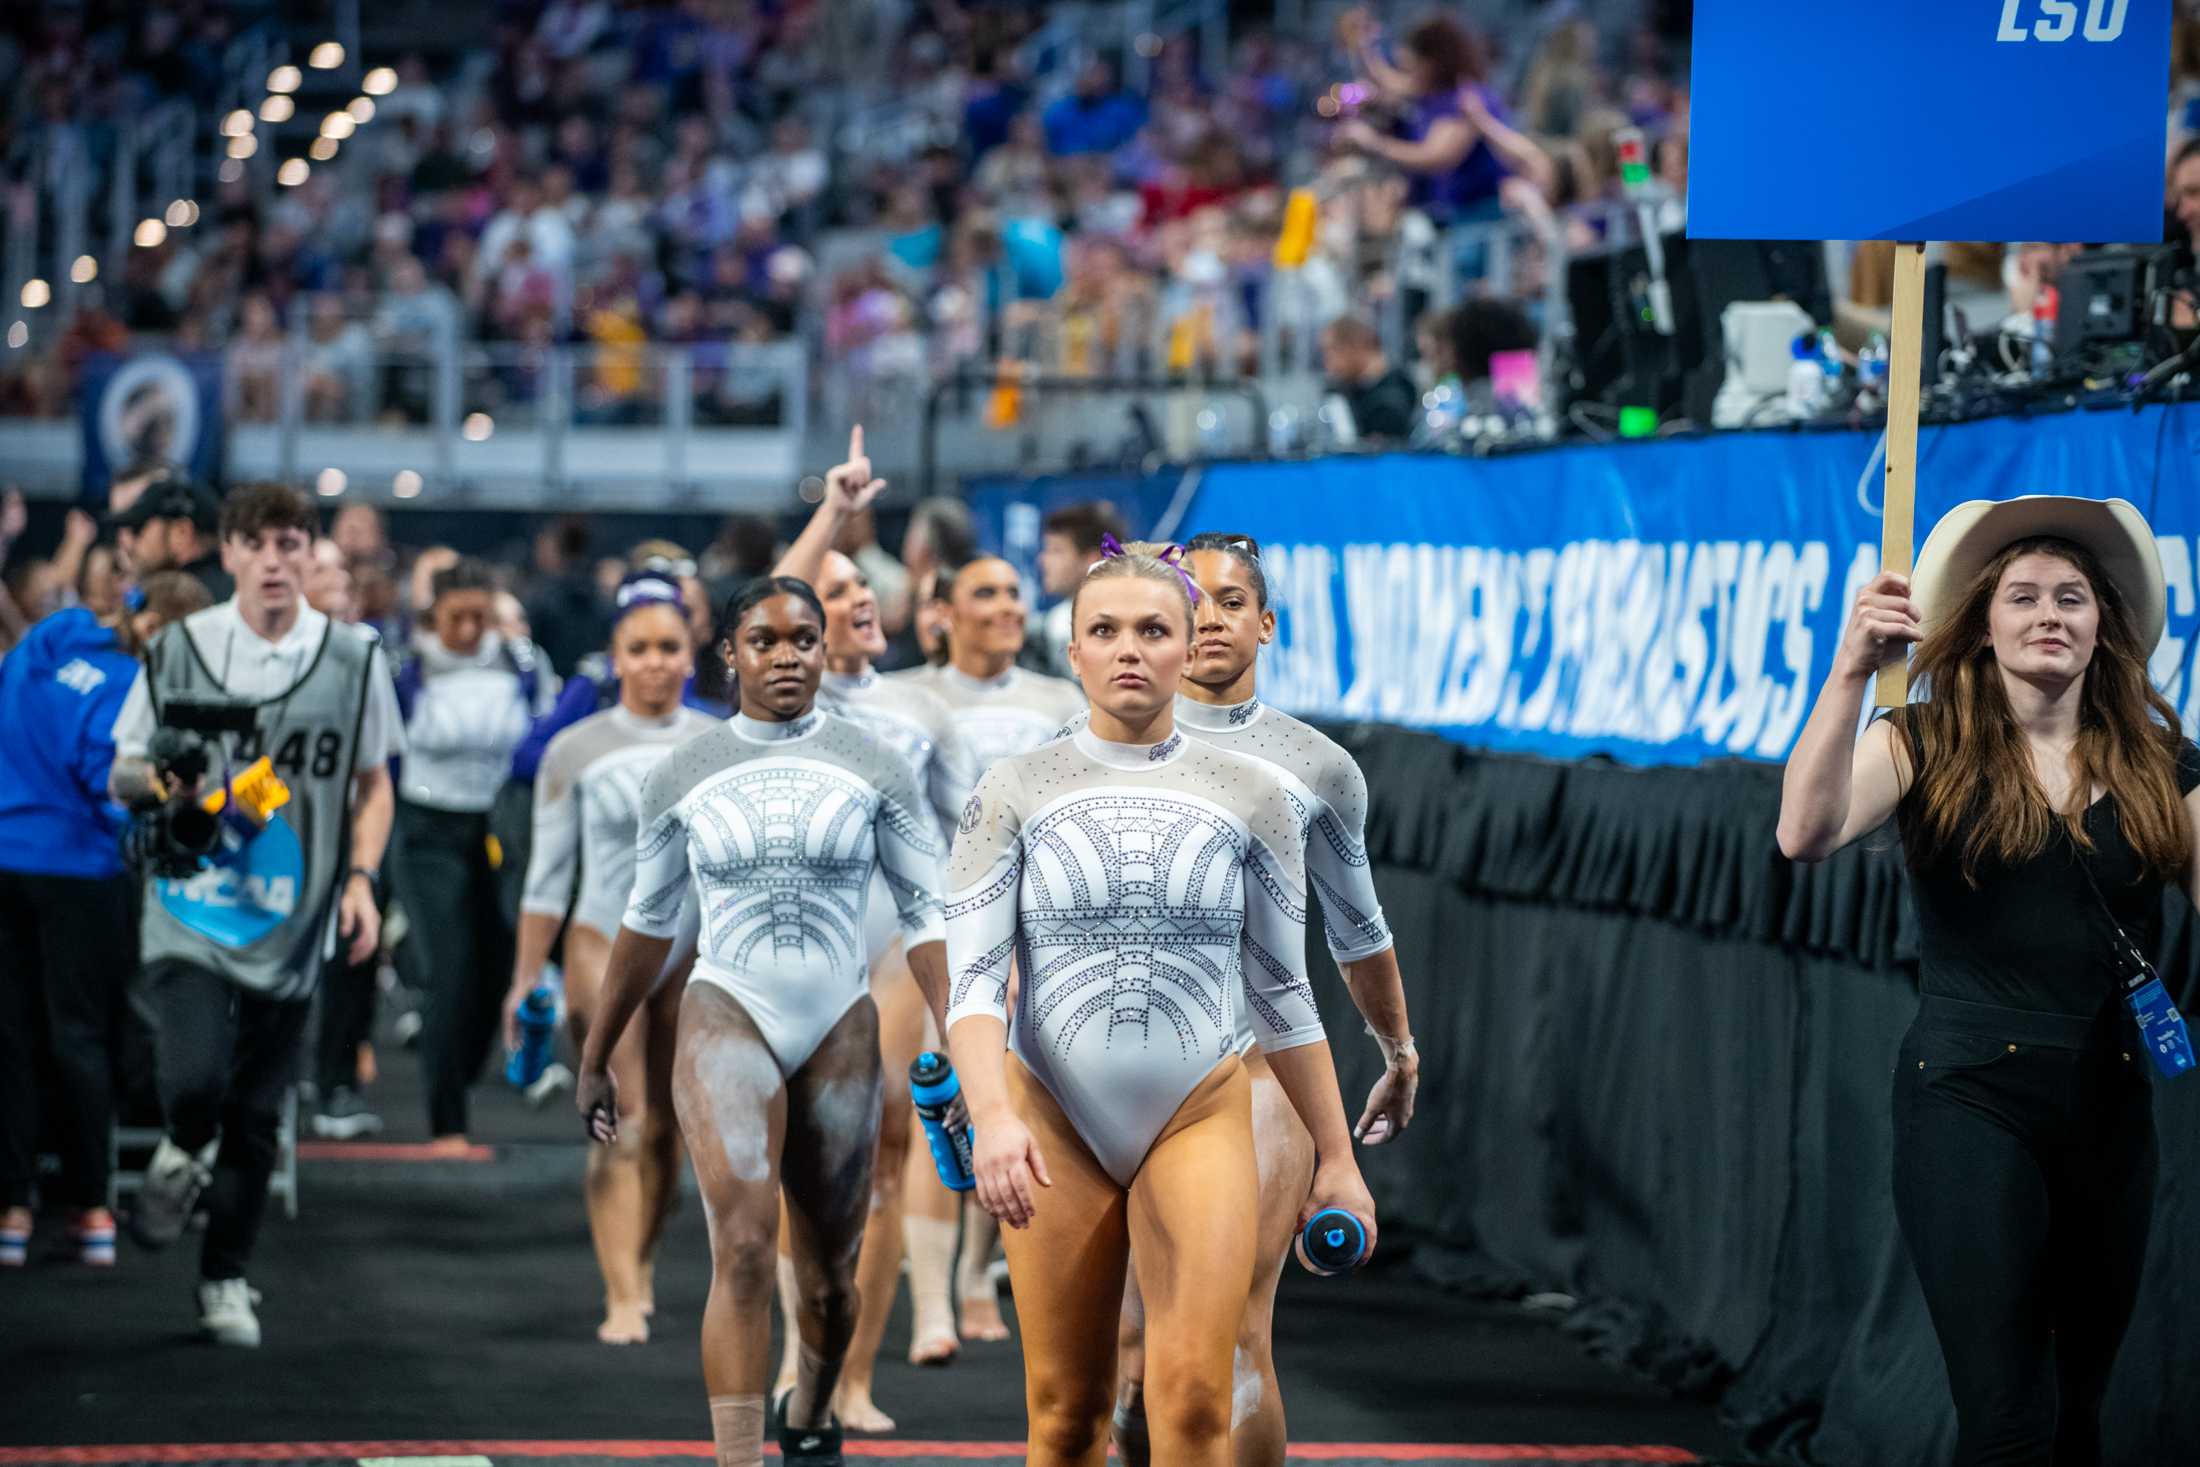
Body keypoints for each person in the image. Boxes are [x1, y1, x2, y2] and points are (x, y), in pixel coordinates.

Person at [1776, 495, 2200, 1465]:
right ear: (1983, 622)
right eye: (2022, 597)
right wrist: (1847, 674)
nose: (2049, 613)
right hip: (1969, 1098)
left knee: (2081, 1416)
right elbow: (1802, 833)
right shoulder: (1921, 742)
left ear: (2104, 625)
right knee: (2006, 1419)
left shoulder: (2157, 762)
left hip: (2114, 1103)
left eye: (2071, 597)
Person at [940, 542, 1377, 1467]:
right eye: (1105, 630)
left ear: (1189, 645)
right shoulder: (1011, 791)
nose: (1129, 649)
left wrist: (1337, 1159)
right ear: (1073, 649)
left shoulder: (1255, 795)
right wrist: (991, 1118)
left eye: (1153, 629)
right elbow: (973, 987)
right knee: (1066, 1415)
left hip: (1199, 1113)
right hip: (1051, 1114)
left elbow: (1285, 993)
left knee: (1192, 1402)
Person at [577, 576, 954, 1467]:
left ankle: (815, 1411)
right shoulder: (684, 770)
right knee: (744, 1248)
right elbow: (646, 920)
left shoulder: (876, 763)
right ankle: (739, 1459)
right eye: (764, 641)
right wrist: (598, 1051)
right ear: (732, 654)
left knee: (828, 1282)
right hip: (726, 1009)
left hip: (840, 1020)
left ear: (826, 650)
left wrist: (961, 1041)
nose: (785, 656)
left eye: (803, 640)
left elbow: (929, 915)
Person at [1062, 534, 1419, 1466]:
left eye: (1232, 602)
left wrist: (1398, 1046)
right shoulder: (1094, 740)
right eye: (1195, 601)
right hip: (1102, 1077)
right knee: (1125, 1354)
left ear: (1266, 623)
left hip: (1252, 1071)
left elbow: (1359, 929)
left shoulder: (1316, 766)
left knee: (1232, 1337)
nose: (1213, 618)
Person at [108, 481, 403, 1347]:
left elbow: (375, 780)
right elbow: (123, 773)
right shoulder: (179, 649)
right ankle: (178, 1144)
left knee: (260, 1110)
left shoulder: (354, 660)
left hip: (295, 911)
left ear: (312, 554)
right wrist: (178, 784)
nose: (276, 560)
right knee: (198, 1079)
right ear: (226, 553)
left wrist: (359, 878)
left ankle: (224, 1277)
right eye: (257, 544)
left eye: (291, 542)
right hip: (191, 899)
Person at [769, 429, 979, 1418]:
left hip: (890, 944)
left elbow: (961, 851)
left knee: (887, 1158)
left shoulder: (921, 716)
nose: (849, 597)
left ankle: (851, 1377)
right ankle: (794, 1363)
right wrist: (835, 515)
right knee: (800, 1165)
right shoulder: (784, 700)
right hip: (792, 945)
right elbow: (774, 599)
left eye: (861, 587)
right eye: (831, 587)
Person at [505, 569, 717, 1344]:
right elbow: (545, 879)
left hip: (691, 948)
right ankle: (621, 1292)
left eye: (669, 646)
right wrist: (527, 978)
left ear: (691, 654)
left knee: (666, 1128)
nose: (656, 661)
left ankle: (643, 1257)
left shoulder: (718, 743)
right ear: (615, 657)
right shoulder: (574, 748)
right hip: (601, 938)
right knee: (620, 1120)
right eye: (640, 648)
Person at [892, 548, 1086, 1351]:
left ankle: (976, 1272)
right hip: (928, 921)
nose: (1009, 605)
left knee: (1001, 1105)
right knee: (931, 1109)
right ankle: (931, 1297)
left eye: (1015, 590)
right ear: (943, 613)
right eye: (986, 593)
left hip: (1027, 924)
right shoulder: (907, 698)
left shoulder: (1059, 698)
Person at [0, 572, 212, 1269]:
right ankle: (91, 1206)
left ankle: (14, 1209)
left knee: (12, 1036)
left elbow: (17, 677)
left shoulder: (58, 633)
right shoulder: (133, 685)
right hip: (80, 875)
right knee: (80, 1037)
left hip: (7, 857)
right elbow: (109, 790)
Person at [394, 557, 557, 1146]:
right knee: (447, 972)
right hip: (425, 829)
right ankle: (447, 1122)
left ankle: (461, 1072)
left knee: (494, 972)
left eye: (478, 617)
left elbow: (547, 737)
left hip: (498, 831)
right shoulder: (406, 669)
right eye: (455, 617)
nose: (467, 629)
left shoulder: (522, 663)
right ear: (433, 615)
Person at [1035, 502, 1127, 679]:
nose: (1043, 560)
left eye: (1056, 551)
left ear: (1092, 559)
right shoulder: (1051, 623)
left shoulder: (1134, 617)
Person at [107, 475, 233, 602]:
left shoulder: (179, 604)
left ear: (182, 532)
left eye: (137, 529)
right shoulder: (232, 591)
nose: (127, 543)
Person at [1318, 315, 1420, 444]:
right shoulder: (1347, 391)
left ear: (1356, 344)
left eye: (1331, 350)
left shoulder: (1394, 398)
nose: (1327, 361)